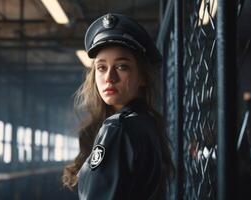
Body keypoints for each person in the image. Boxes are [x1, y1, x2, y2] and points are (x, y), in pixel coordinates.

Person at [62, 13, 174, 199]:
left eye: (122, 67)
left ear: (143, 77)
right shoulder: (147, 123)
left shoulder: (118, 127)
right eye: (101, 67)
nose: (109, 78)